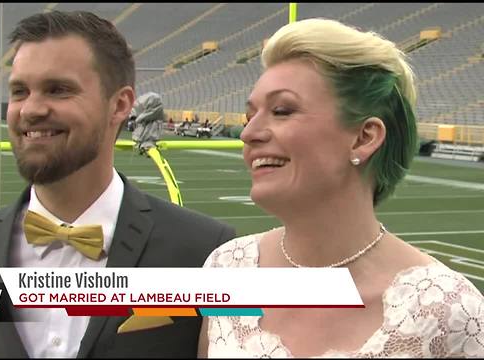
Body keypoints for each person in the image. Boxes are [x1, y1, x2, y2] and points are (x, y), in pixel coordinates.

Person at [0, 10, 235, 358]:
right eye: (19, 91)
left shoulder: (205, 252)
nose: (31, 109)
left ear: (119, 105)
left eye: (58, 90)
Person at [198, 18, 484, 358]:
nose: (249, 134)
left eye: (282, 110)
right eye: (250, 117)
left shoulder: (449, 311)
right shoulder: (226, 267)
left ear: (364, 137)